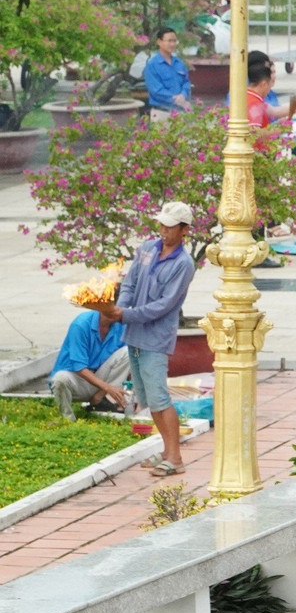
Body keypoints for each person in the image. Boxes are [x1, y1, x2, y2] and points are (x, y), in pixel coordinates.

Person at [100, 202, 196, 477]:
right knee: (147, 398)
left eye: (170, 226)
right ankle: (166, 451)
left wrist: (125, 314)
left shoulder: (183, 264)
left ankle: (175, 458)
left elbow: (165, 306)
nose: (163, 231)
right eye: (162, 225)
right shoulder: (146, 249)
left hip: (155, 338)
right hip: (135, 335)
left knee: (159, 397)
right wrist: (122, 309)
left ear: (184, 230)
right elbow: (129, 284)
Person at [49, 309, 129, 421]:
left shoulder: (122, 325)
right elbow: (79, 368)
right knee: (60, 379)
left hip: (99, 380)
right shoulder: (81, 324)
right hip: (76, 381)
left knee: (128, 352)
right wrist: (108, 387)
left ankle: (101, 401)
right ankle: (67, 419)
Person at [143, 27, 191, 115]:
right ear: (159, 42)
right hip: (161, 113)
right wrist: (175, 99)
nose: (172, 44)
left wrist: (183, 95)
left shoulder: (179, 63)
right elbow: (156, 90)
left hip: (180, 111)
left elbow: (186, 83)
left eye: (174, 41)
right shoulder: (152, 65)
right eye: (169, 41)